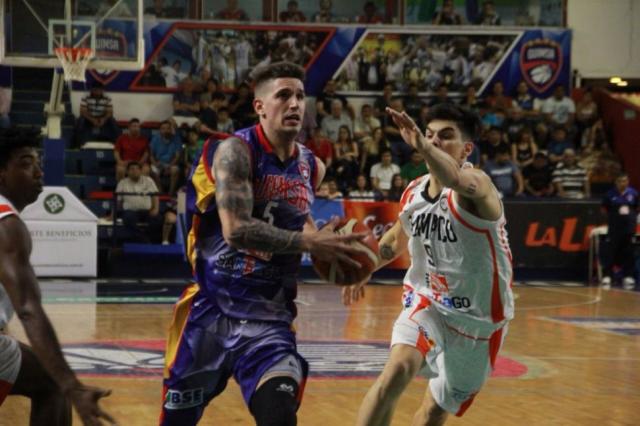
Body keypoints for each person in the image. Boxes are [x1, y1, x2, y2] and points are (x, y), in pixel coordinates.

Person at [159, 62, 368, 425]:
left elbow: (300, 220)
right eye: (283, 95)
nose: (295, 104)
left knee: (279, 416)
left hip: (270, 321)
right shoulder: (234, 151)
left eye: (300, 96)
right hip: (211, 313)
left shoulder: (312, 166)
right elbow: (236, 230)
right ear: (260, 106)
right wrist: (311, 243)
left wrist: (345, 257)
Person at [343, 103, 514, 425]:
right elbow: (396, 239)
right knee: (397, 370)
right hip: (428, 300)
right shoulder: (414, 191)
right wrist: (364, 266)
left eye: (445, 136)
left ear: (466, 149)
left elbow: (454, 177)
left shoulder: (478, 186)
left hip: (478, 319)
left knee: (434, 412)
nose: (434, 141)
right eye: (430, 134)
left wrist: (421, 144)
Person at [0, 127, 115, 425]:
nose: (39, 172)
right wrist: (73, 386)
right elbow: (28, 309)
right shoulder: (7, 225)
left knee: (47, 378)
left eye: (38, 163)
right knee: (55, 383)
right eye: (26, 163)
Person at [600, 173, 638, 290]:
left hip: (629, 228)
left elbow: (637, 207)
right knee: (611, 251)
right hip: (614, 228)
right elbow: (604, 209)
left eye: (625, 181)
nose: (623, 183)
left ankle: (628, 276)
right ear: (616, 182)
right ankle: (607, 276)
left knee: (628, 252)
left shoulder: (633, 193)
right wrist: (613, 218)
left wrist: (631, 218)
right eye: (620, 181)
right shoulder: (609, 194)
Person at [115, 161, 163, 243]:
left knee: (158, 219)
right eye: (132, 169)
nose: (135, 171)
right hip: (130, 211)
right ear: (127, 172)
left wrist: (155, 209)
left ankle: (144, 238)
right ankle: (144, 239)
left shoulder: (148, 181)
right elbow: (118, 201)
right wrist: (113, 214)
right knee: (128, 218)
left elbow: (155, 196)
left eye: (137, 169)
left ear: (140, 171)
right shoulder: (122, 183)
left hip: (147, 211)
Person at [75, 82, 119, 147]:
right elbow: (82, 112)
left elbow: (110, 112)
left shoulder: (107, 97)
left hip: (102, 117)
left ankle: (116, 145)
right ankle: (78, 144)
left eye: (99, 90)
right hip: (89, 117)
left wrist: (103, 119)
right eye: (95, 90)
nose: (97, 92)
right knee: (80, 121)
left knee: (113, 122)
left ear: (102, 90)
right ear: (92, 90)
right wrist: (92, 120)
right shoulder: (85, 96)